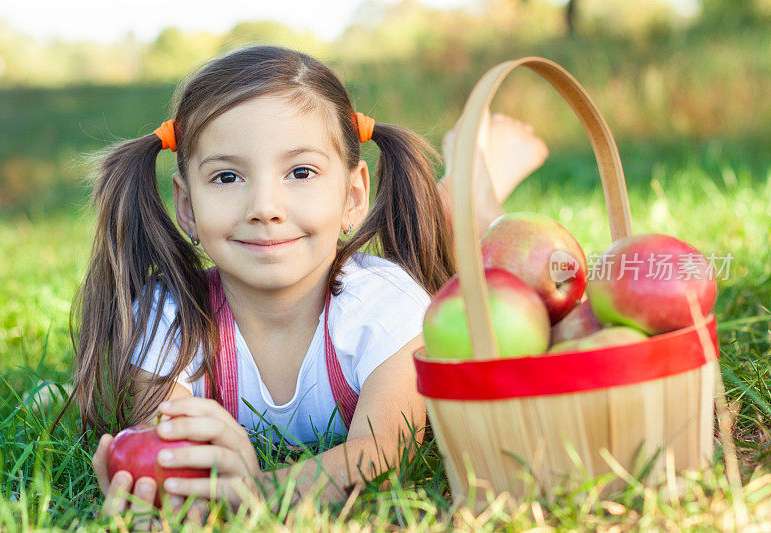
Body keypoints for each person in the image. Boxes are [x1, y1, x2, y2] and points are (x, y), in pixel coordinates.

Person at [61, 44, 547, 521]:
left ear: (354, 197)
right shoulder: (170, 315)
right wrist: (167, 485)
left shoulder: (385, 306)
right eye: (227, 177)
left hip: (430, 292)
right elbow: (169, 441)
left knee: (483, 250)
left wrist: (256, 490)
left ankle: (475, 180)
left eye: (300, 171)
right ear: (187, 206)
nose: (264, 207)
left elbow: (381, 453)